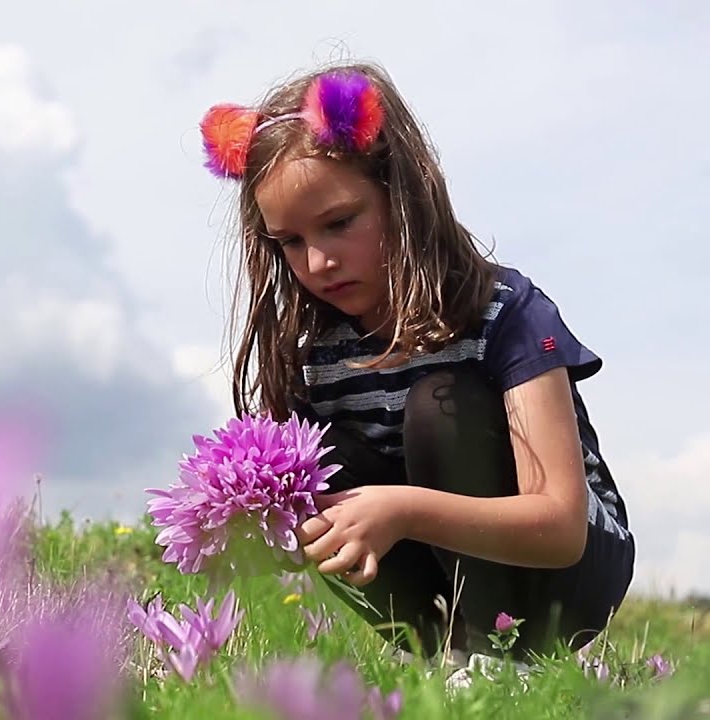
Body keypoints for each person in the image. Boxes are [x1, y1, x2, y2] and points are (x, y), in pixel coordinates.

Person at [198, 62, 634, 666]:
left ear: (402, 198)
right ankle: (439, 658)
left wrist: (402, 511)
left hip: (566, 573)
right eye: (290, 241)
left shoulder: (504, 312)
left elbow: (561, 529)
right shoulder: (313, 356)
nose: (318, 262)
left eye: (339, 223)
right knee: (304, 463)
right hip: (434, 570)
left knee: (441, 404)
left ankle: (497, 661)